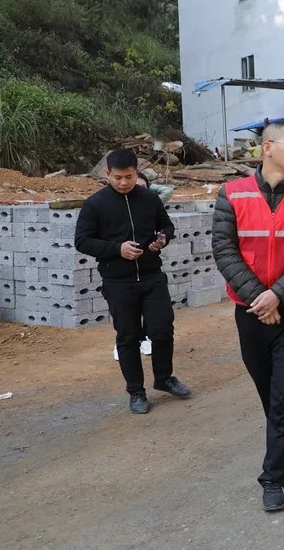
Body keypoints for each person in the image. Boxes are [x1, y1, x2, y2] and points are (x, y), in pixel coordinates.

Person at [212, 120, 284, 512]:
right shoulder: (232, 194)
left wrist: (277, 296)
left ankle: (273, 477)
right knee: (268, 390)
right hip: (250, 312)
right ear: (267, 147)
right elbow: (224, 250)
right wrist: (259, 299)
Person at [75, 149, 191, 415]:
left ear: (136, 173)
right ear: (107, 174)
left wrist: (163, 239)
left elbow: (167, 226)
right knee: (127, 337)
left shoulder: (150, 198)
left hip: (152, 276)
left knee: (162, 329)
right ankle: (136, 391)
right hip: (118, 282)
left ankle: (164, 378)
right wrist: (118, 249)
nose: (123, 182)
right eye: (117, 177)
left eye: (129, 177)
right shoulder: (95, 204)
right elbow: (82, 241)